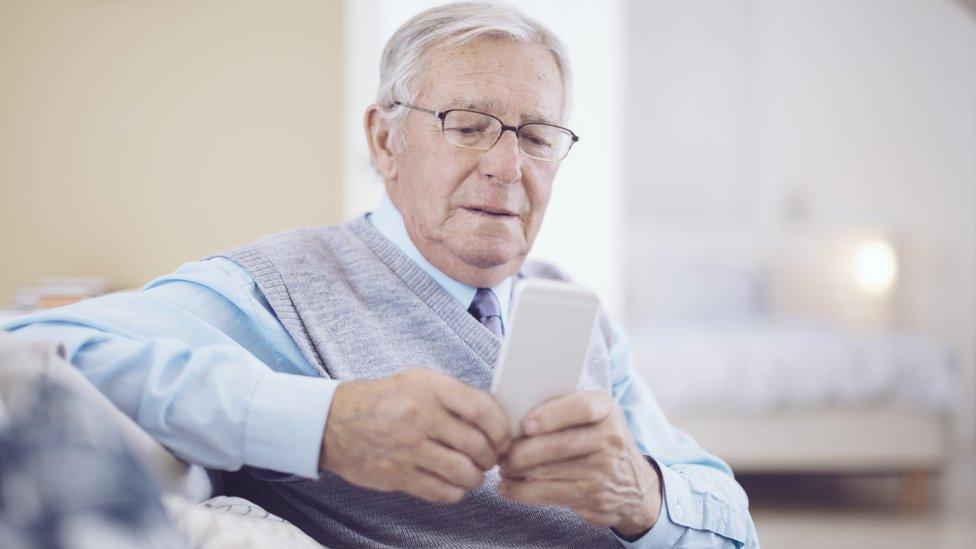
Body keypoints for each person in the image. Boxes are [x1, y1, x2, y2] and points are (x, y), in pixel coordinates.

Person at [2, 2, 758, 547]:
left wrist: (642, 496)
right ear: (384, 138)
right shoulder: (280, 288)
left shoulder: (575, 312)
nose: (508, 165)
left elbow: (733, 522)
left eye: (537, 135)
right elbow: (27, 349)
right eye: (467, 125)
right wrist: (324, 423)